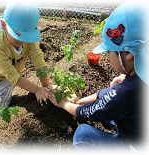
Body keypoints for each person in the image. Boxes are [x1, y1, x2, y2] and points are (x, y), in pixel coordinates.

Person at [49, 1, 149, 152]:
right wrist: (79, 100)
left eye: (109, 52)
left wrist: (64, 104)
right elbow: (108, 96)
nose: (108, 58)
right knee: (110, 107)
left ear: (128, 54)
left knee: (82, 134)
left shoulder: (125, 93)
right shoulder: (138, 79)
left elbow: (85, 112)